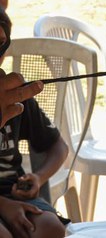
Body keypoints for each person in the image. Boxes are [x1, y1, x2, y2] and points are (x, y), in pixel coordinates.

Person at [0, 18, 68, 238]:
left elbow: (58, 146)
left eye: (0, 42)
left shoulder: (15, 95)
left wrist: (38, 177)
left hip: (11, 191)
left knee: (50, 229)